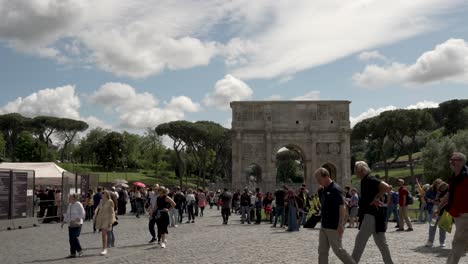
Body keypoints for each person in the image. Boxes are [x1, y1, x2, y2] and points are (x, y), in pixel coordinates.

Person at [352, 161, 394, 264]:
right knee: (382, 244)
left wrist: (377, 197)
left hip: (371, 215)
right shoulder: (364, 180)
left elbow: (387, 187)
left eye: (355, 170)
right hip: (375, 215)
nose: (354, 173)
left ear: (362, 170)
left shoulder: (369, 179)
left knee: (359, 242)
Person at [314, 168, 355, 264]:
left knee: (338, 251)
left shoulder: (335, 189)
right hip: (324, 225)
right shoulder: (324, 189)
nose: (318, 181)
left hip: (333, 226)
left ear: (326, 176)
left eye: (319, 179)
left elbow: (342, 207)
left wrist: (340, 224)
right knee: (322, 251)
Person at [443, 152, 468, 264]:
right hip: (458, 215)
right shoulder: (454, 177)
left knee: (458, 242)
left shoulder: (466, 177)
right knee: (460, 241)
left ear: (462, 162)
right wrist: (439, 208)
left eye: (454, 160)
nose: (451, 162)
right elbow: (448, 195)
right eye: (451, 159)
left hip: (465, 214)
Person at [62, 194, 85, 258]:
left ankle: (80, 250)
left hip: (77, 224)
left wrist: (76, 220)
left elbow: (82, 213)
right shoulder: (70, 205)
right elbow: (67, 214)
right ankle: (72, 253)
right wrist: (64, 222)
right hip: (70, 224)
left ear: (74, 198)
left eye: (70, 197)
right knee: (71, 239)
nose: (69, 199)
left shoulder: (78, 204)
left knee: (74, 237)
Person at [93, 190, 116, 256]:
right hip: (101, 219)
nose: (102, 195)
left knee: (104, 234)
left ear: (106, 195)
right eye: (102, 194)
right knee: (103, 234)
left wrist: (111, 222)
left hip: (107, 219)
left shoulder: (110, 202)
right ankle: (104, 247)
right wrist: (95, 213)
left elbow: (112, 213)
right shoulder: (101, 201)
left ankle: (104, 248)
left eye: (103, 194)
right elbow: (98, 208)